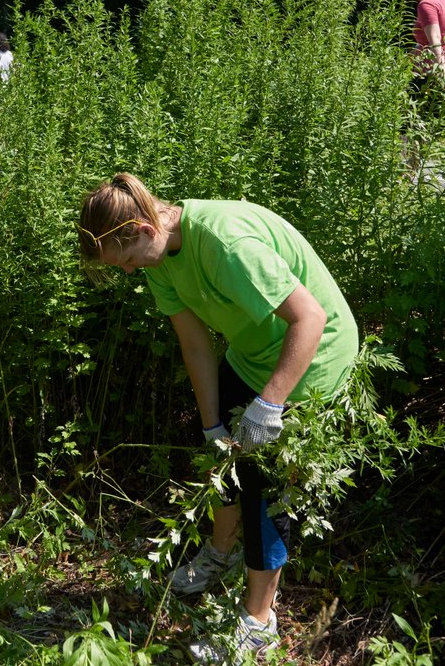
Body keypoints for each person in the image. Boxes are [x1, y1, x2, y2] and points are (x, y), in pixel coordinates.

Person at [77, 174, 358, 665]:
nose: (126, 272)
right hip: (252, 354)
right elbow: (195, 344)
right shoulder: (160, 255)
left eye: (123, 262)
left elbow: (310, 318)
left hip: (313, 357)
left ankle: (258, 623)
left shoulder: (225, 243)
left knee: (264, 490)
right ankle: (220, 553)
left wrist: (270, 404)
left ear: (143, 229)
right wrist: (213, 427)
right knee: (225, 461)